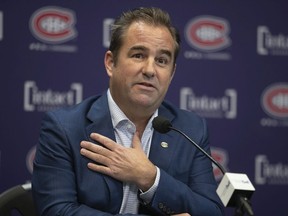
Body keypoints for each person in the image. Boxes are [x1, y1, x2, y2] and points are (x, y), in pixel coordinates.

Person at [32, 7, 224, 216]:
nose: (150, 70)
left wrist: (151, 178)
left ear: (172, 73)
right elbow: (56, 211)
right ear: (110, 63)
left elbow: (211, 211)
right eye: (139, 55)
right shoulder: (65, 128)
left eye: (162, 60)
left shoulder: (191, 129)